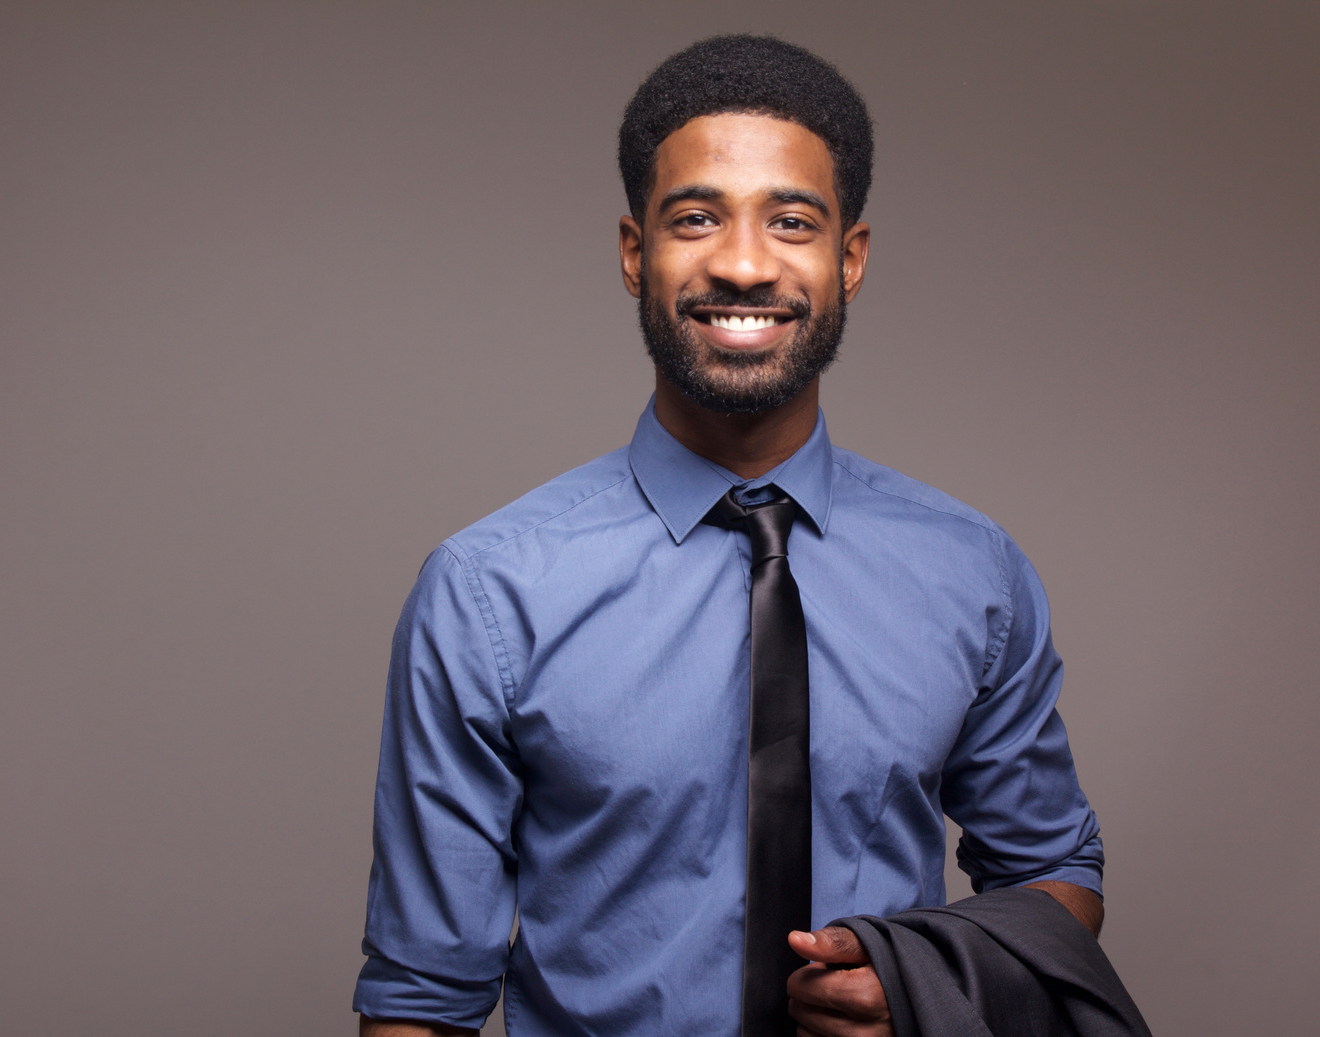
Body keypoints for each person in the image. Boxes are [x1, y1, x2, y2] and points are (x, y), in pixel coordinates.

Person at [354, 35, 1105, 1037]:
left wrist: (928, 981)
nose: (743, 264)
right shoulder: (487, 590)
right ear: (635, 254)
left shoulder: (971, 571)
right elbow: (418, 997)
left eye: (790, 222)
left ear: (849, 258)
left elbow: (1053, 877)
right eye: (695, 217)